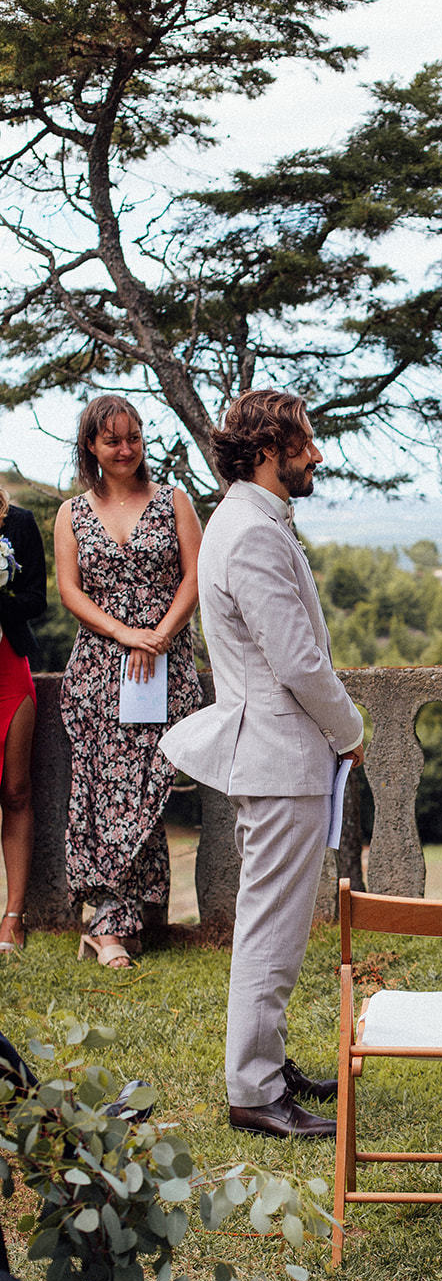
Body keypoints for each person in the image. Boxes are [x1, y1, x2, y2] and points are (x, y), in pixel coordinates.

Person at [161, 388, 364, 1140]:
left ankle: (267, 1066)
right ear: (267, 450)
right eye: (305, 442)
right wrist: (348, 730)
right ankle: (252, 1091)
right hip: (282, 755)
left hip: (277, 754)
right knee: (271, 931)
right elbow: (298, 661)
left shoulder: (249, 520)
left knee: (271, 923)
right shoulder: (249, 531)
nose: (316, 454)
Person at [54, 396, 202, 967]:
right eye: (113, 440)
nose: (126, 449)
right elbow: (69, 591)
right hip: (98, 671)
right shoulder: (72, 512)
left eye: (134, 437)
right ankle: (112, 923)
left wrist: (158, 635)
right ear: (92, 445)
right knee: (99, 792)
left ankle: (118, 917)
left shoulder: (173, 501)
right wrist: (125, 634)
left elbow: (197, 574)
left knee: (147, 788)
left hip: (163, 668)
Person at [0, 490, 46, 955]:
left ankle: (13, 916)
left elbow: (37, 599)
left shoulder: (18, 521)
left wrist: (0, 599)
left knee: (16, 791)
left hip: (9, 669)